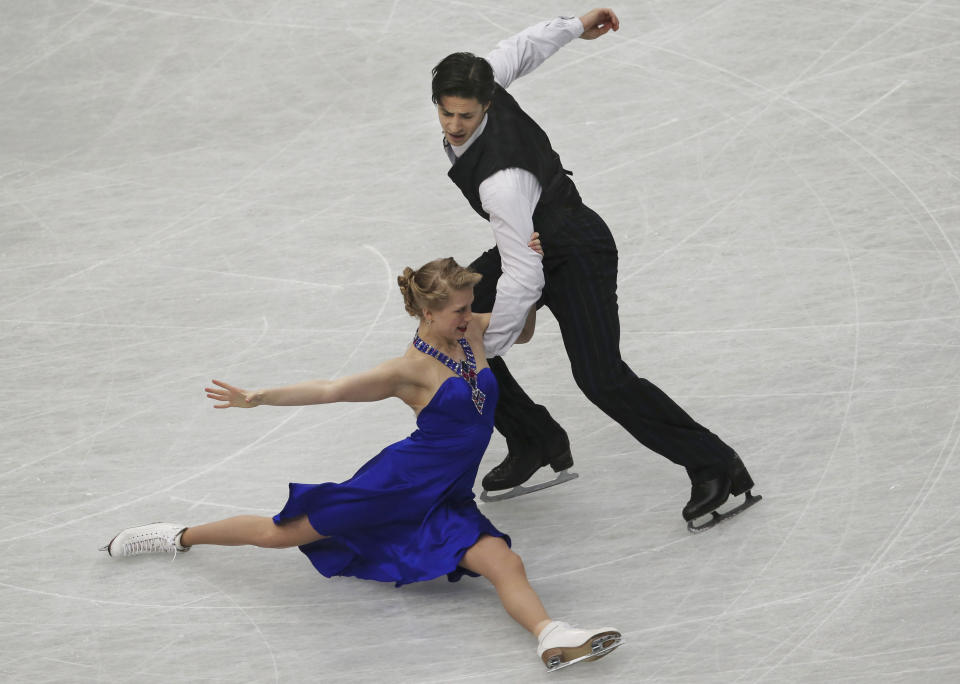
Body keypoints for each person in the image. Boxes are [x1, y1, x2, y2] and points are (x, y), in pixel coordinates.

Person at [100, 251, 622, 672]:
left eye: (470, 306)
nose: (470, 315)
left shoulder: (472, 333)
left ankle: (552, 637)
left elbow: (521, 329)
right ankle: (176, 535)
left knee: (504, 561)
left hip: (447, 494)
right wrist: (259, 397)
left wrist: (527, 285)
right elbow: (331, 389)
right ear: (427, 314)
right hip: (395, 485)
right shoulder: (409, 370)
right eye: (460, 309)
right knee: (280, 534)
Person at [432, 8, 758, 525]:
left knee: (600, 378)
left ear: (486, 105)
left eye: (465, 117)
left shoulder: (503, 181)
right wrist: (577, 25)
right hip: (534, 241)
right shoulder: (484, 81)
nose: (454, 126)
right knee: (447, 326)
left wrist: (487, 342)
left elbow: (523, 275)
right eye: (446, 113)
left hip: (576, 250)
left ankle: (716, 463)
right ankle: (535, 437)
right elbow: (521, 47)